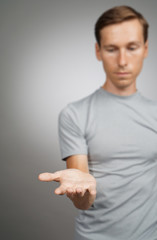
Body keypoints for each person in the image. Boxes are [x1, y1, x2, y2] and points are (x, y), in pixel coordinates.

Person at [38, 5, 157, 240]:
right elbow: (83, 201)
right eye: (112, 49)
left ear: (145, 49)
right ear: (98, 51)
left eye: (131, 48)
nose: (122, 61)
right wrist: (82, 189)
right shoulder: (75, 114)